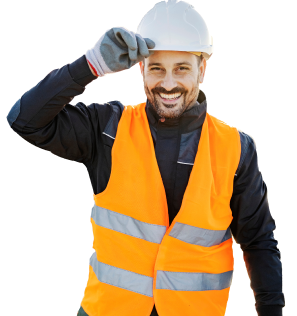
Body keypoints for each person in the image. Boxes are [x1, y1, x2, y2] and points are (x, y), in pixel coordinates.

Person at [6, 1, 285, 315]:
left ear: (202, 69)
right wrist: (92, 64)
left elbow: (259, 242)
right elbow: (24, 120)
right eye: (156, 68)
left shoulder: (236, 148)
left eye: (181, 68)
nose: (168, 84)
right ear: (140, 68)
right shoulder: (108, 129)